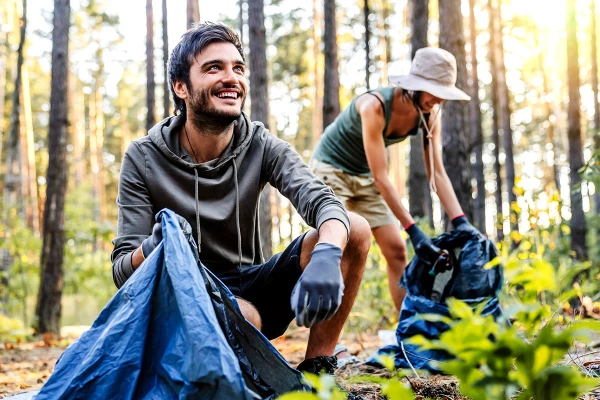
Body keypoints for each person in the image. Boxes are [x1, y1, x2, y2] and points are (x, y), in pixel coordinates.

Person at [111, 22, 371, 375]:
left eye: (238, 68)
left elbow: (323, 202)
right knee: (243, 316)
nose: (231, 78)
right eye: (213, 68)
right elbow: (122, 271)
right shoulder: (142, 157)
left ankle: (318, 372)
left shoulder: (261, 144)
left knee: (353, 228)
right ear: (181, 87)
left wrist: (326, 254)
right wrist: (154, 247)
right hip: (186, 295)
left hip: (253, 284)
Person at [311, 47, 479, 312]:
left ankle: (405, 331)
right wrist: (414, 231)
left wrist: (461, 222)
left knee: (397, 250)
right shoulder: (374, 106)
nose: (437, 100)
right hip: (331, 170)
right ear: (415, 85)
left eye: (442, 94)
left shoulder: (428, 114)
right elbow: (382, 177)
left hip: (365, 177)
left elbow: (437, 173)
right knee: (338, 245)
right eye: (433, 90)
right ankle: (326, 340)